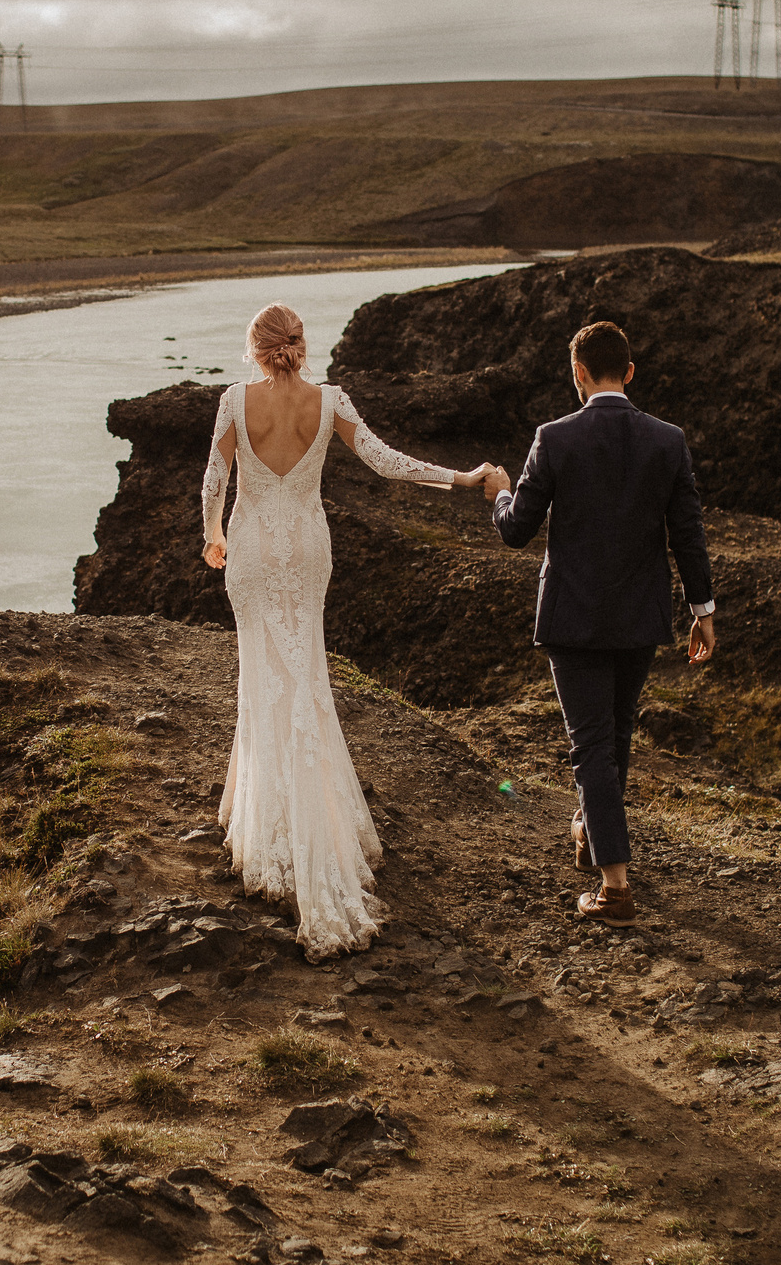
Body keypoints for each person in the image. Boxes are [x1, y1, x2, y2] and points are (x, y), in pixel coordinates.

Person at [201, 303, 491, 956]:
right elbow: (385, 461)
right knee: (305, 678)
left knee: (262, 677)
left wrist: (212, 532)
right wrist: (460, 478)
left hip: (253, 554)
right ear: (300, 344)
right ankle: (300, 823)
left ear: (255, 348)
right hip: (307, 552)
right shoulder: (330, 402)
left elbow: (216, 477)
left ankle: (272, 830)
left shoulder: (233, 402)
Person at [485, 320, 716, 924]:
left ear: (579, 375)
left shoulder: (553, 438)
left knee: (591, 745)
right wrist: (702, 610)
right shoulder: (668, 440)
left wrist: (500, 494)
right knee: (614, 737)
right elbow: (687, 532)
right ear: (630, 372)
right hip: (641, 617)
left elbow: (516, 531)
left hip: (574, 617)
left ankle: (615, 890)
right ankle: (592, 833)